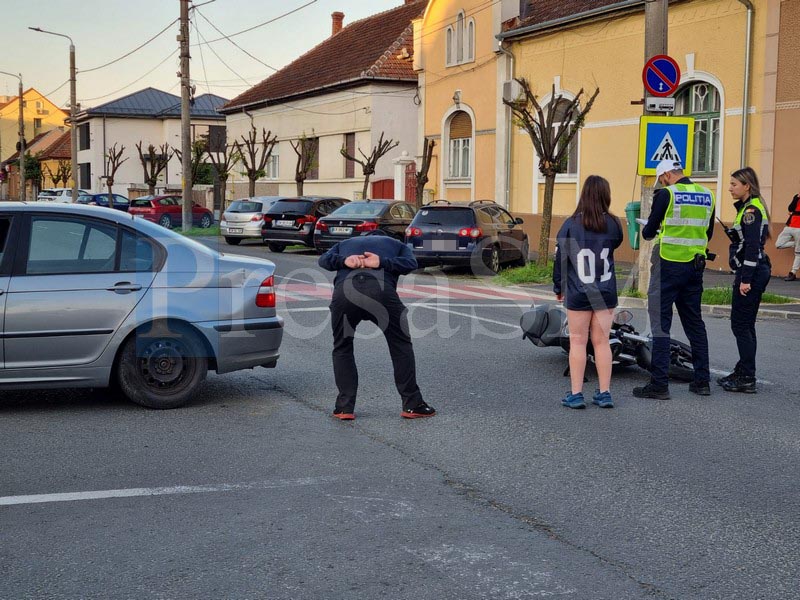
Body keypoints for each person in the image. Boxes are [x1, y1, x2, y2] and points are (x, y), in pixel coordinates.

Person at [318, 229, 435, 420]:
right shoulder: (397, 245)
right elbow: (411, 263)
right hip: (381, 293)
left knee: (342, 347)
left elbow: (323, 260)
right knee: (400, 345)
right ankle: (412, 404)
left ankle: (344, 408)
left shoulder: (346, 244)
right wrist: (382, 262)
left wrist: (344, 261)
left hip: (345, 293)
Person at [633, 160, 715, 400]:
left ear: (667, 174)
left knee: (660, 325)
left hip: (668, 265)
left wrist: (657, 230)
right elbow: (707, 233)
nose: (662, 182)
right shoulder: (707, 194)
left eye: (662, 178)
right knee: (694, 324)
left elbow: (648, 232)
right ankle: (702, 382)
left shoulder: (667, 194)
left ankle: (659, 385)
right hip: (695, 266)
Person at [553, 175, 624, 409]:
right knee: (602, 342)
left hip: (579, 290)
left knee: (578, 342)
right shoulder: (613, 223)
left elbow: (560, 259)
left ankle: (576, 394)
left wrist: (558, 286)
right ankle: (604, 393)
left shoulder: (571, 224)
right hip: (605, 290)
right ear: (606, 195)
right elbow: (616, 244)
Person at [718, 167, 772, 393]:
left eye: (734, 184)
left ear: (746, 186)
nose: (730, 188)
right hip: (755, 270)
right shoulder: (749, 208)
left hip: (752, 272)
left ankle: (747, 376)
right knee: (745, 324)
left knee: (741, 324)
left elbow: (752, 247)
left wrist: (746, 280)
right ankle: (743, 369)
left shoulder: (751, 210)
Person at [775, 182, 800, 281]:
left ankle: (792, 272)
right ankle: (796, 244)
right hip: (790, 226)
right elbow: (790, 208)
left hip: (799, 228)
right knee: (779, 244)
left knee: (798, 253)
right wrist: (797, 198)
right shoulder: (796, 196)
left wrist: (794, 212)